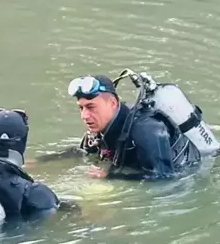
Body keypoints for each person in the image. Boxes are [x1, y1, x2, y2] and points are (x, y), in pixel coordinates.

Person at [67, 73, 203, 180]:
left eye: (91, 107)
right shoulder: (97, 129)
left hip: (194, 172)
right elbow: (81, 153)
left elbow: (163, 177)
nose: (84, 116)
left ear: (113, 103)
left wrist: (111, 177)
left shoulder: (146, 129)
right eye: (81, 108)